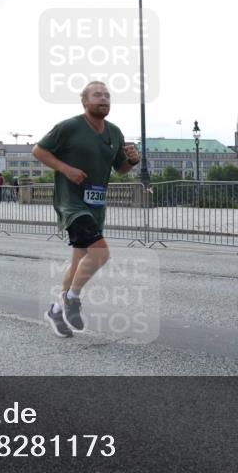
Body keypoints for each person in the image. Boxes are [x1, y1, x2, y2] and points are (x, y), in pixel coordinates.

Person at [32, 81, 140, 337]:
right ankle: (73, 298)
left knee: (79, 261)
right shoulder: (70, 127)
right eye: (97, 95)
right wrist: (66, 169)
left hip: (96, 205)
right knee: (101, 254)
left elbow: (120, 168)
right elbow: (39, 150)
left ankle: (57, 310)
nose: (103, 99)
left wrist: (133, 162)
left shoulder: (114, 132)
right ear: (84, 101)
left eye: (107, 95)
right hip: (72, 204)